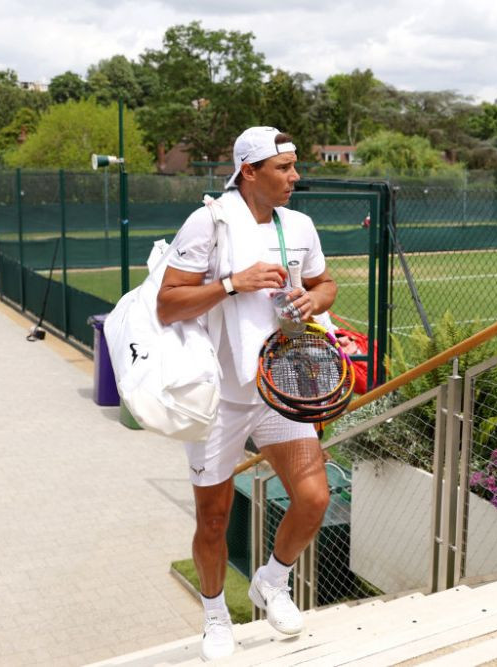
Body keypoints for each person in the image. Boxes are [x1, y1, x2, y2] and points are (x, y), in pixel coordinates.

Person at [157, 126, 337, 660]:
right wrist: (234, 283)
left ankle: (272, 581)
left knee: (314, 498)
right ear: (249, 171)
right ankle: (215, 617)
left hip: (281, 385)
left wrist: (312, 301)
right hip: (219, 396)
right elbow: (169, 304)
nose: (295, 177)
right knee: (212, 519)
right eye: (283, 168)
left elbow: (326, 284)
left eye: (295, 166)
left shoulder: (300, 225)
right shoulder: (208, 222)